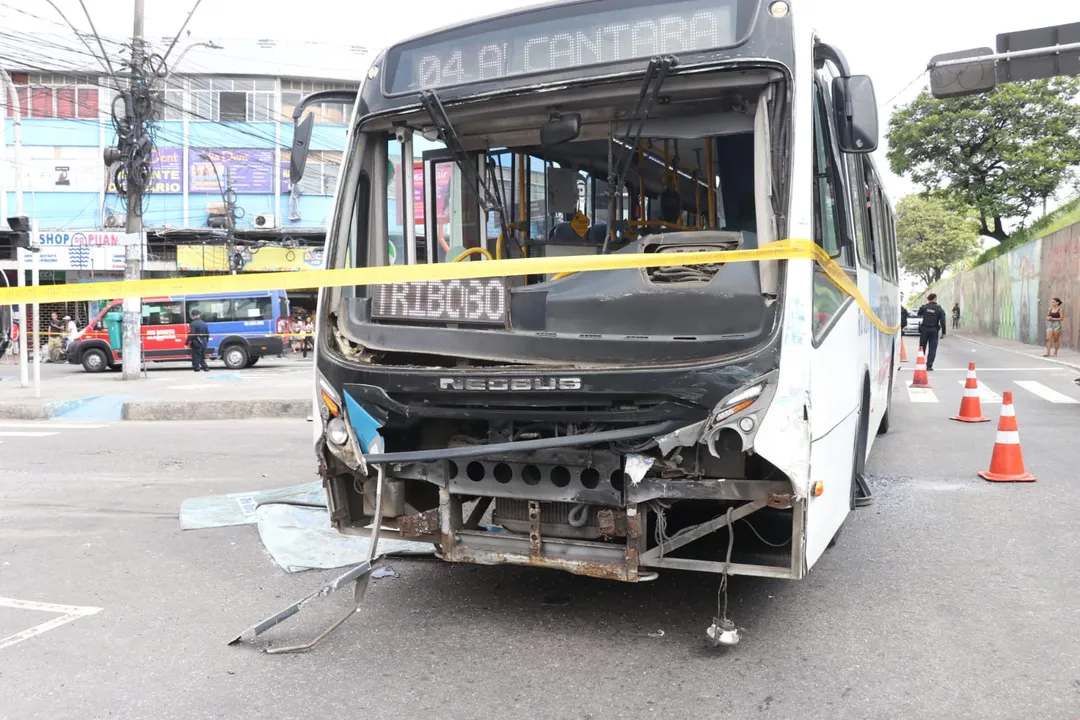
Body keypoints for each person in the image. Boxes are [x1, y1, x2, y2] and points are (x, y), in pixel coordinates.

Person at [916, 292, 947, 371]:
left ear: (928, 299)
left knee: (922, 347)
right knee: (932, 349)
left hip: (924, 330)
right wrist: (943, 333)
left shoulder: (924, 307)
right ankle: (929, 366)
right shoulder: (939, 309)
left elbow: (919, 314)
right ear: (935, 299)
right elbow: (943, 322)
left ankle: (920, 364)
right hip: (934, 330)